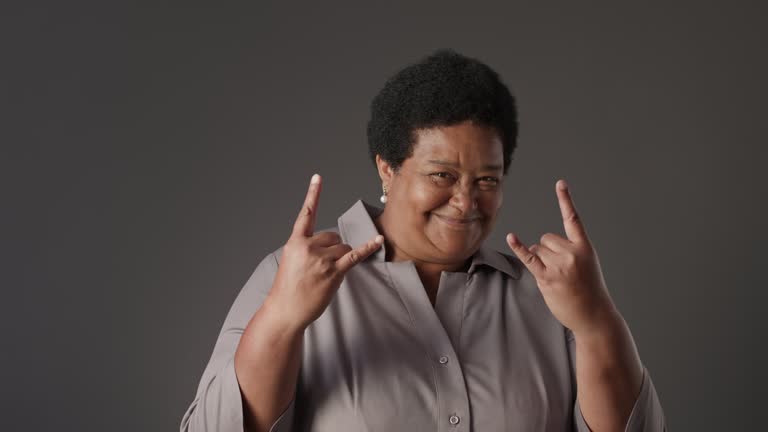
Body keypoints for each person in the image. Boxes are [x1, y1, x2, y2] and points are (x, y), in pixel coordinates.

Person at [180, 49, 667, 432]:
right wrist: (281, 322)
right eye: (442, 175)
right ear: (387, 169)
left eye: (487, 180)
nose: (465, 202)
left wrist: (597, 321)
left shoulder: (549, 298)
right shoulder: (289, 279)